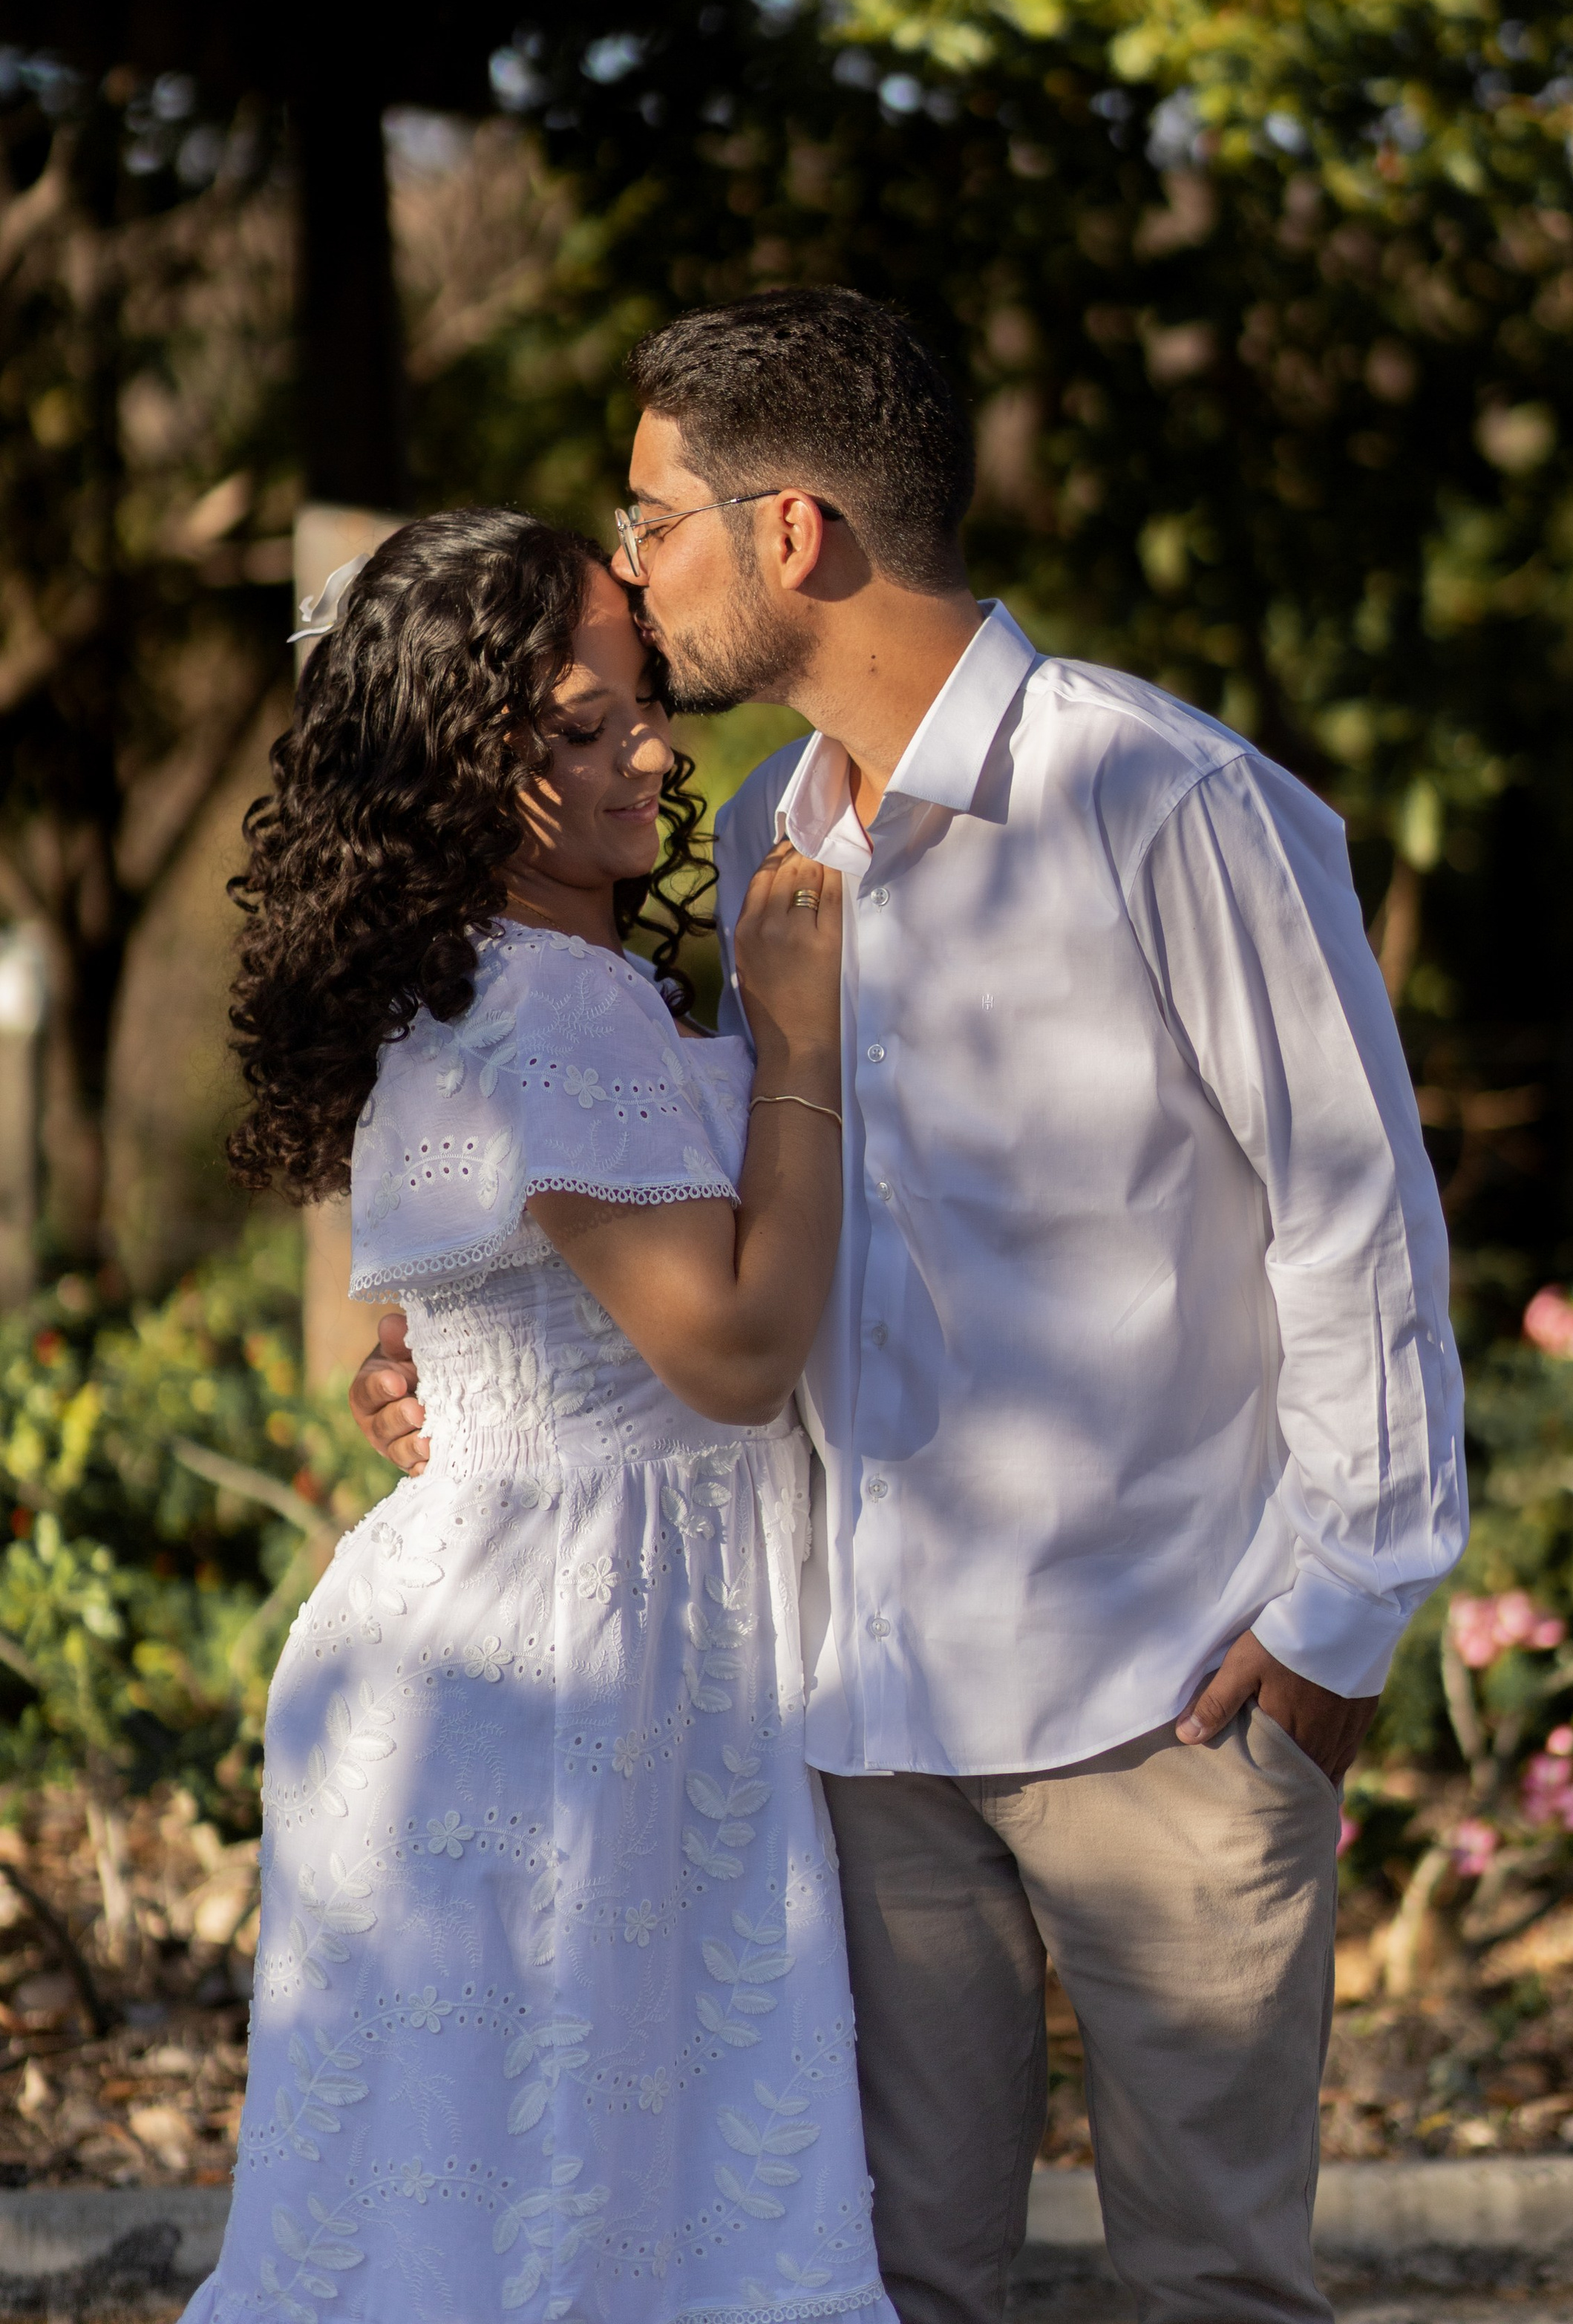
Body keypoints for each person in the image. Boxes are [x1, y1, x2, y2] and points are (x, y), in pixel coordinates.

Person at [354, 296, 1468, 2324]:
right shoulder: (775, 826)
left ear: (791, 532)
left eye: (652, 515)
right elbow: (715, 1199)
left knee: (1216, 2286)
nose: (626, 569)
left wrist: (1340, 1620)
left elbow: (1353, 1212)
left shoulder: (1167, 801)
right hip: (858, 1723)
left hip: (1168, 1699)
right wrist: (474, 1345)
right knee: (887, 2288)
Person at [194, 508, 893, 2324]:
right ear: (458, 762)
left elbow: (470, 1303)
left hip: (523, 1644)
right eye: (581, 730)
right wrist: (801, 1047)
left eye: (641, 704)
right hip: (567, 1686)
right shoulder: (552, 1007)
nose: (650, 750)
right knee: (566, 2222)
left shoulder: (494, 985)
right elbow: (734, 1351)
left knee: (488, 2221)